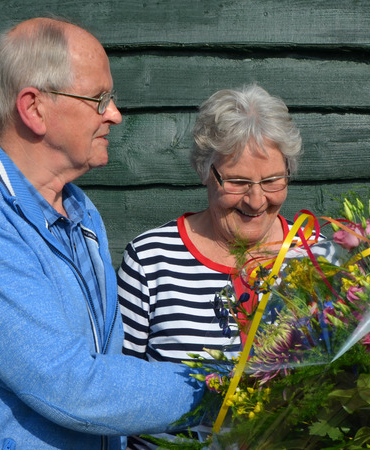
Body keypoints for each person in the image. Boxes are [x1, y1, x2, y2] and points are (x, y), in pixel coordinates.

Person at [0, 18, 201, 449]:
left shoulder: (79, 210)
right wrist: (221, 385)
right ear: (34, 108)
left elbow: (101, 364)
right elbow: (67, 385)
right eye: (99, 99)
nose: (114, 113)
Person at [116, 84, 304, 447]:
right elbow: (120, 389)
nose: (256, 200)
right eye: (237, 181)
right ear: (205, 170)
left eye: (272, 181)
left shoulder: (320, 257)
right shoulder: (151, 259)